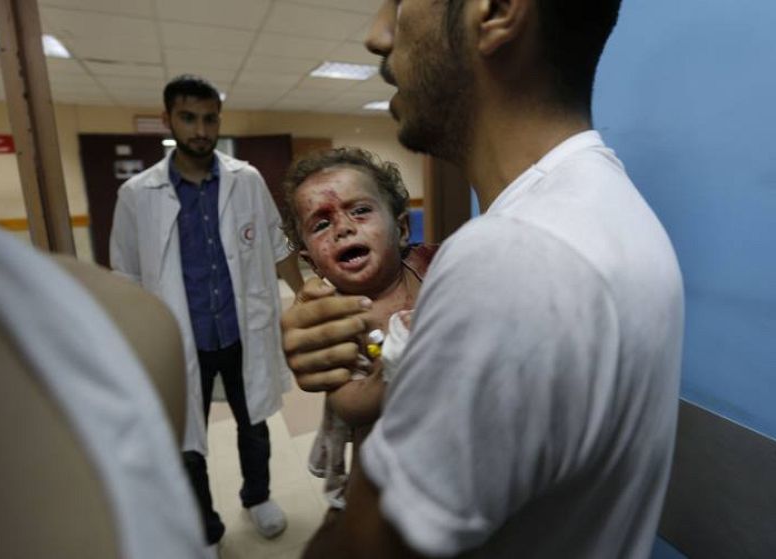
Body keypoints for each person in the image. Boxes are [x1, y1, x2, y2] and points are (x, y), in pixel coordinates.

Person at [281, 0, 685, 557]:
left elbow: (366, 548)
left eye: (399, 3)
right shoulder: (604, 202)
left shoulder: (511, 257)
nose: (378, 35)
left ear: (495, 10)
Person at [110, 74, 303, 545]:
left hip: (240, 332)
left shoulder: (246, 180)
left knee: (254, 423)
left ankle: (257, 497)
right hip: (181, 340)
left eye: (209, 119)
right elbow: (126, 275)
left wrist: (305, 298)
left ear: (219, 120)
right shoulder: (137, 194)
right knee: (186, 440)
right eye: (188, 118)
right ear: (168, 120)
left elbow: (277, 245)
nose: (200, 130)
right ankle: (205, 527)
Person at [0, 221, 208, 558]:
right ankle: (210, 524)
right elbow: (127, 265)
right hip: (189, 332)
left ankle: (254, 498)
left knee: (247, 426)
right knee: (195, 452)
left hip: (219, 335)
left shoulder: (129, 327)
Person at [280, 147, 437, 508]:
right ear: (311, 261)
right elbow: (349, 405)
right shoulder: (336, 316)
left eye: (361, 210)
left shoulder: (434, 267)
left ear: (401, 229)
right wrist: (395, 367)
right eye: (321, 224)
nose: (343, 227)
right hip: (390, 458)